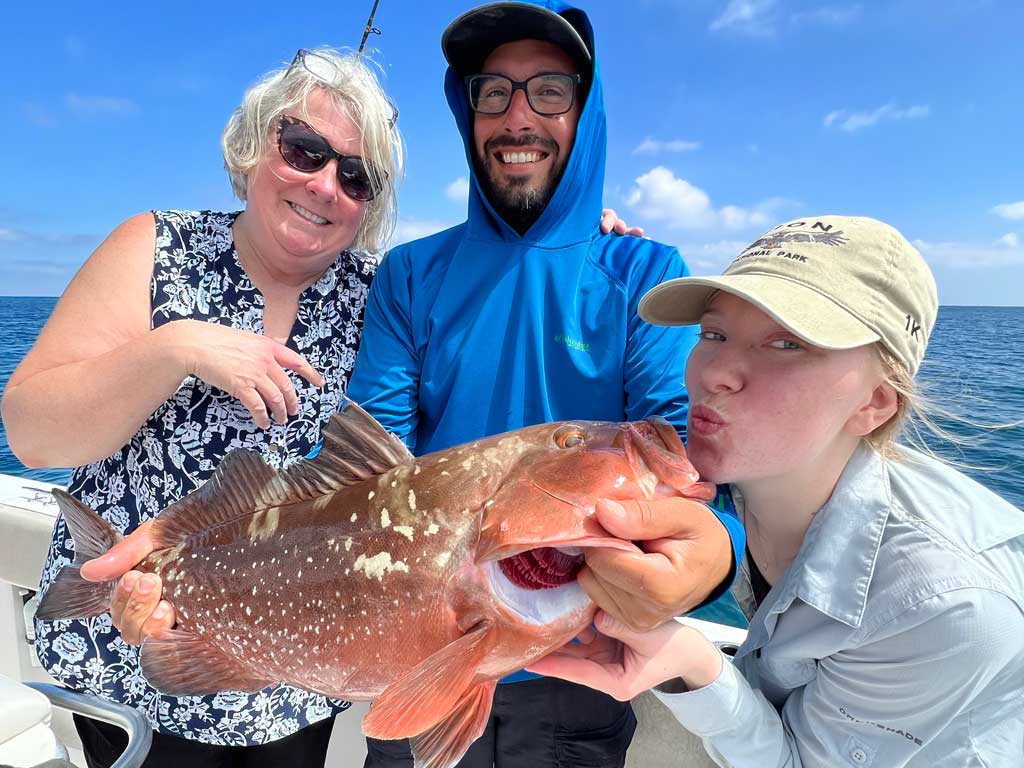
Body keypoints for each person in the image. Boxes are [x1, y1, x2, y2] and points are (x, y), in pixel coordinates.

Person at [345, 1, 746, 765]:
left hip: (581, 668)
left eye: (549, 92)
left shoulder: (645, 274)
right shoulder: (410, 274)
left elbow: (696, 478)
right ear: (468, 115)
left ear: (586, 113)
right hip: (428, 646)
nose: (517, 116)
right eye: (492, 92)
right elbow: (373, 471)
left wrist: (713, 559)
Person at [1, 48, 403, 766]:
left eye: (355, 175)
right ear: (254, 145)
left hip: (291, 671)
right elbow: (31, 433)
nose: (324, 184)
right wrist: (174, 348)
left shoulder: (383, 293)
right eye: (304, 149)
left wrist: (588, 247)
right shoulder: (155, 248)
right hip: (138, 640)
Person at [528, 215, 1024, 767]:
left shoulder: (942, 604)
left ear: (874, 403)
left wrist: (693, 664)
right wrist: (566, 221)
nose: (715, 372)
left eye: (787, 343)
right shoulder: (738, 481)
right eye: (713, 334)